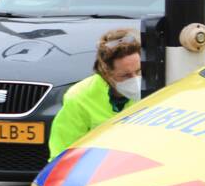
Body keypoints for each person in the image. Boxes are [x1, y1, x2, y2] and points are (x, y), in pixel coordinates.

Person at [48, 29, 142, 159]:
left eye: (138, 71)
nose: (135, 79)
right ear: (106, 73)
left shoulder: (158, 88)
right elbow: (62, 154)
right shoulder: (79, 98)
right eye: (125, 75)